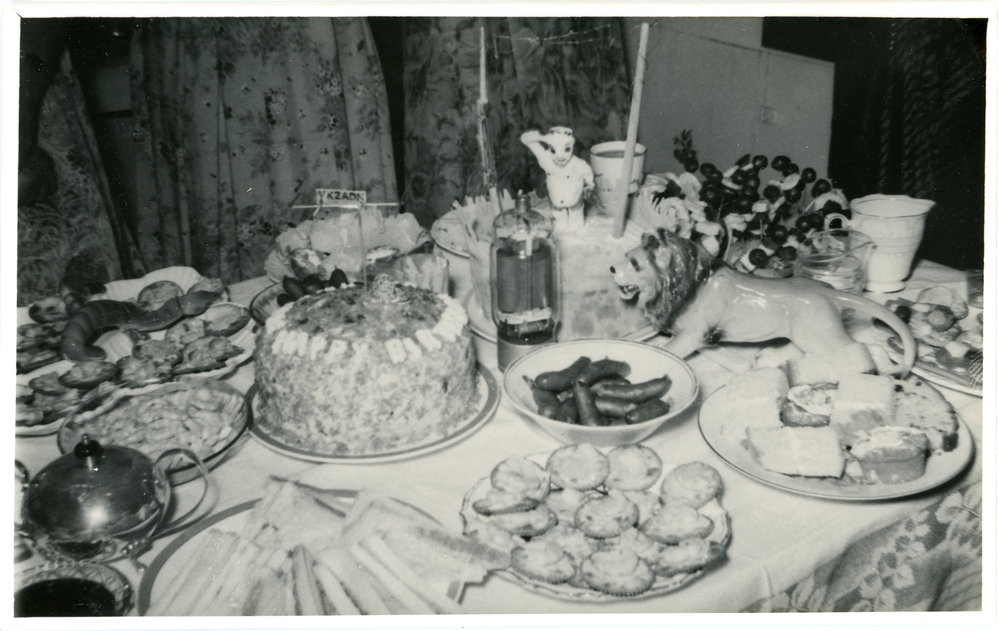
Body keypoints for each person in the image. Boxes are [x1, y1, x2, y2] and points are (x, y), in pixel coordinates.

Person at [521, 126, 594, 227]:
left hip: (575, 199)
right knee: (559, 217)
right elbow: (526, 139)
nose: (560, 157)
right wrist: (541, 137)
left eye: (567, 149)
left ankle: (577, 227)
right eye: (553, 150)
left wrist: (589, 185)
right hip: (555, 201)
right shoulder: (546, 159)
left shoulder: (579, 165)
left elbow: (588, 175)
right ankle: (561, 222)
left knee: (576, 219)